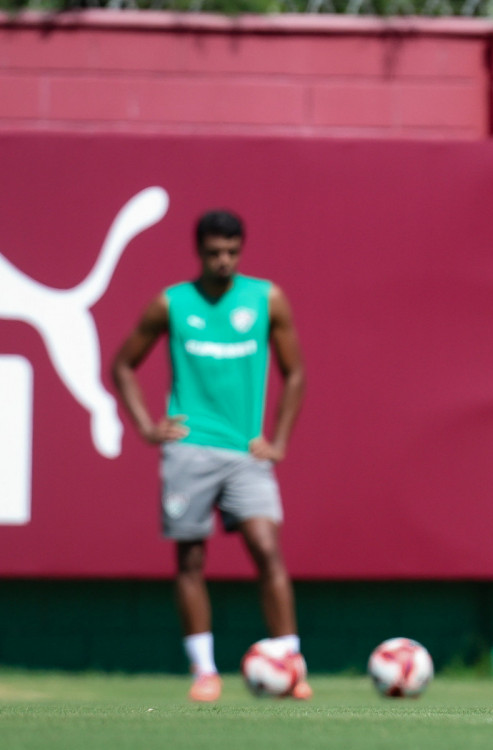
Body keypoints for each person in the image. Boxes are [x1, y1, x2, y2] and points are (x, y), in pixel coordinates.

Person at [111, 209, 309, 703]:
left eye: (232, 252)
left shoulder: (267, 299)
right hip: (189, 451)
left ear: (242, 250)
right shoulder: (172, 303)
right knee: (191, 559)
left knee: (267, 548)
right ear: (199, 251)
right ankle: (204, 670)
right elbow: (122, 366)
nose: (223, 261)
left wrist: (278, 440)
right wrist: (146, 426)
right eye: (214, 252)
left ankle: (290, 663)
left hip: (245, 452)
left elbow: (296, 372)